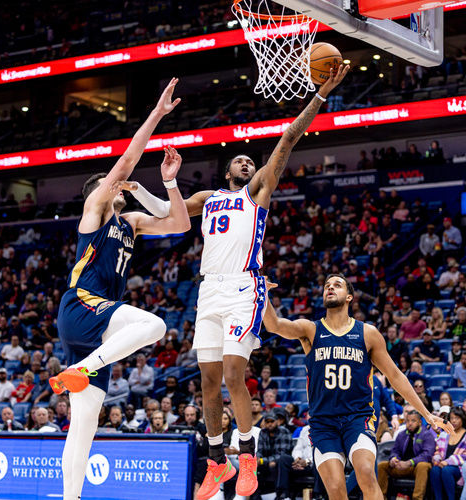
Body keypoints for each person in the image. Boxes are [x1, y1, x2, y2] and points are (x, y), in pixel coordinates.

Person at [130, 66, 350, 500]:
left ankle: (246, 456)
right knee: (207, 384)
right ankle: (217, 464)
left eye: (251, 160)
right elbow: (166, 214)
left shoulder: (257, 192)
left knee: (234, 374)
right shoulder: (209, 198)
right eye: (241, 159)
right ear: (226, 167)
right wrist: (142, 186)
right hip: (208, 290)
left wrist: (321, 95)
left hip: (244, 288)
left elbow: (287, 140)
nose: (247, 162)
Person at [45, 80, 191, 500]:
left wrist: (169, 183)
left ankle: (70, 497)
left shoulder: (132, 225)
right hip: (82, 306)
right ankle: (82, 368)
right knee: (156, 325)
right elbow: (127, 161)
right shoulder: (93, 214)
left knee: (85, 422)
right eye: (111, 184)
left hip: (97, 327)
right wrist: (158, 115)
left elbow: (180, 224)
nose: (119, 186)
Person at [262, 274, 451, 500]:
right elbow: (274, 325)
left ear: (349, 297)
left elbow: (395, 375)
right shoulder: (310, 330)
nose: (330, 288)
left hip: (357, 418)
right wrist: (262, 293)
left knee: (365, 474)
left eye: (337, 285)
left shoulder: (367, 333)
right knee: (336, 490)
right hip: (323, 422)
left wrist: (426, 414)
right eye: (326, 286)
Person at [377, 410, 436, 500]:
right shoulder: (401, 434)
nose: (409, 423)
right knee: (382, 465)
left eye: (413, 421)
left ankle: (417, 498)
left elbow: (427, 455)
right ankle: (381, 497)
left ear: (420, 422)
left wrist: (410, 462)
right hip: (401, 466)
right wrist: (394, 458)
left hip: (416, 467)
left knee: (423, 465)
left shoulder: (427, 435)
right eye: (407, 421)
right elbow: (395, 450)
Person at [429, 407, 466, 500]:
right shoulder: (444, 433)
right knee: (435, 470)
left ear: (462, 419)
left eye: (457, 418)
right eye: (452, 418)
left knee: (447, 470)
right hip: (443, 465)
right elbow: (437, 450)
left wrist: (448, 461)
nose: (454, 421)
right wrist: (437, 459)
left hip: (460, 467)